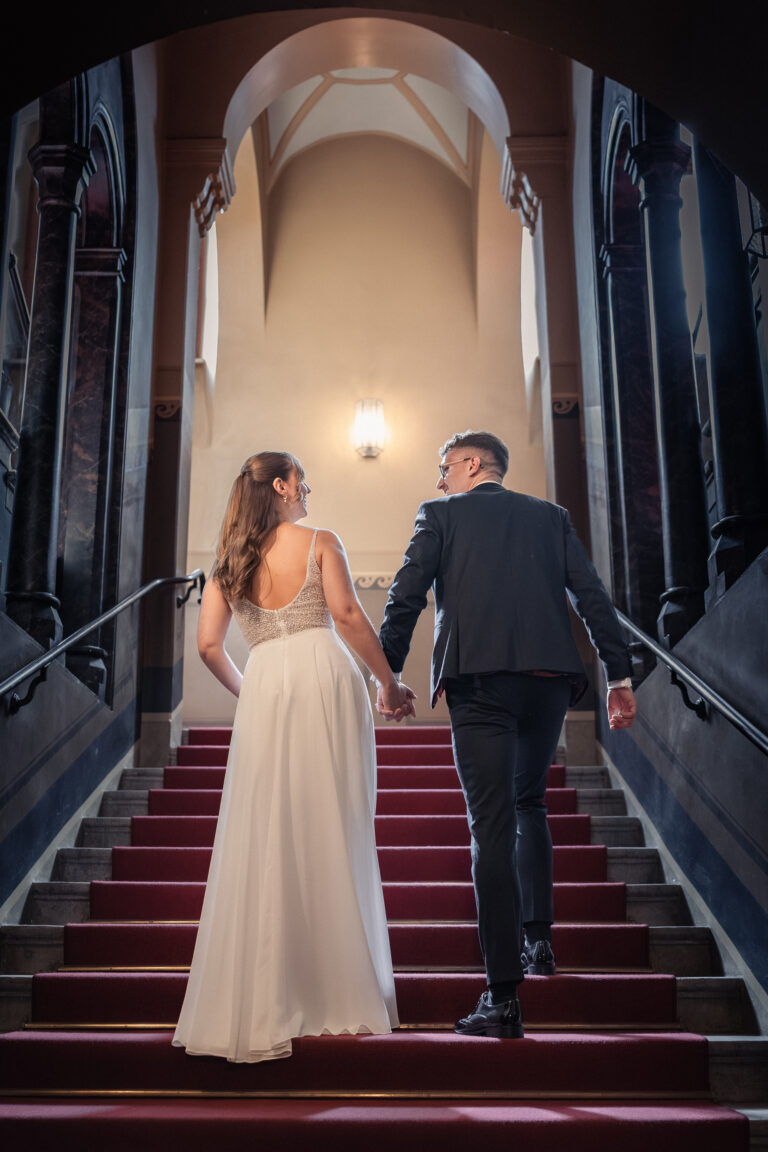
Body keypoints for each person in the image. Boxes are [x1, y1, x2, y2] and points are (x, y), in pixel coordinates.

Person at [377, 430, 636, 1039]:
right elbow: (592, 597)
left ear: (471, 464)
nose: (439, 479)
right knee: (530, 803)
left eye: (444, 467)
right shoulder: (550, 517)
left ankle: (502, 998)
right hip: (550, 680)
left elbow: (405, 597)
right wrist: (618, 674)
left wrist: (386, 674)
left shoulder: (438, 514)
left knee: (490, 823)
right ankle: (539, 944)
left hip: (481, 681)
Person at [173, 451, 412, 1062]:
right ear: (280, 486)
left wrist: (250, 688)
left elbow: (206, 646)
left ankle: (269, 990)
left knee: (267, 829)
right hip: (325, 675)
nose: (309, 490)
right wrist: (387, 682)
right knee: (333, 820)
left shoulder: (228, 560)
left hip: (267, 684)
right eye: (302, 480)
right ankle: (338, 989)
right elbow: (348, 614)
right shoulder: (320, 540)